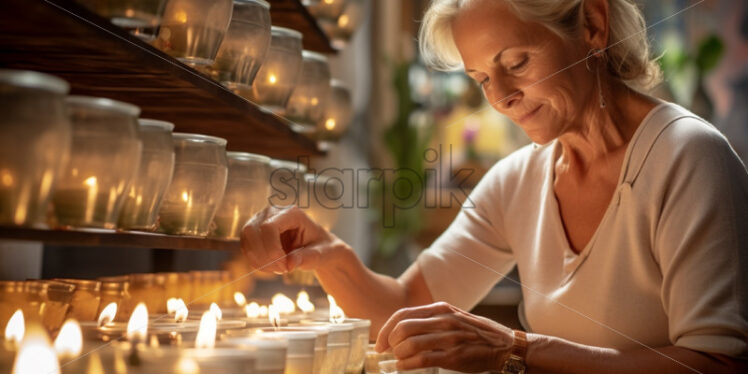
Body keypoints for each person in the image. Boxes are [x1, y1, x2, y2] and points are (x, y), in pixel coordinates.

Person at [241, 0, 748, 372]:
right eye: (482, 78)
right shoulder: (516, 181)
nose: (500, 97)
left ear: (593, 26)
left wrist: (518, 349)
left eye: (517, 63)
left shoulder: (686, 156)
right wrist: (327, 254)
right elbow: (402, 312)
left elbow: (718, 363)